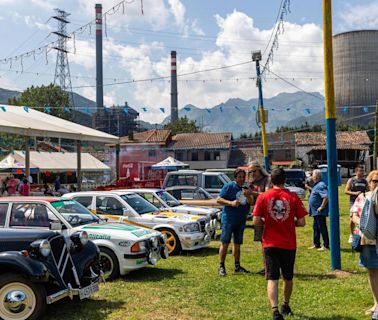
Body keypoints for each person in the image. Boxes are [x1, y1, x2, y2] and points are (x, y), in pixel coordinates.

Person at [253, 168, 307, 320]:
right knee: (288, 277)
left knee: (272, 277)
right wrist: (291, 222)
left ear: (271, 180)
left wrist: (267, 220)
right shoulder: (293, 197)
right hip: (288, 243)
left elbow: (256, 221)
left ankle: (275, 311)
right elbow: (302, 222)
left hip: (270, 243)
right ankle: (286, 304)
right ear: (285, 180)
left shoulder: (263, 197)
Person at [217, 169, 254, 276]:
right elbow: (218, 199)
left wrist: (248, 195)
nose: (242, 179)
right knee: (225, 243)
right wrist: (230, 203)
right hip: (229, 219)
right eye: (240, 177)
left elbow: (251, 202)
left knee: (237, 244)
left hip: (240, 220)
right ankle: (221, 266)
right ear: (235, 178)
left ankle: (237, 266)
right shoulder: (229, 186)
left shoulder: (246, 188)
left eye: (243, 177)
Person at [351, 170, 378, 318]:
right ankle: (376, 303)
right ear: (369, 182)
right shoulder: (362, 197)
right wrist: (363, 224)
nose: (377, 184)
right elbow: (353, 214)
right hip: (367, 240)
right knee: (373, 271)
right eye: (374, 181)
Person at [345, 165, 368, 243]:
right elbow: (346, 191)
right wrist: (355, 193)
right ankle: (351, 234)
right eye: (360, 171)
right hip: (353, 202)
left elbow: (368, 190)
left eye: (362, 171)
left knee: (362, 218)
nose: (362, 172)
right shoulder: (352, 180)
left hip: (362, 202)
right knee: (352, 219)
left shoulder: (365, 181)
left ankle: (361, 234)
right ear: (356, 172)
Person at [308, 169, 329, 251]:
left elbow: (326, 196)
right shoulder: (316, 185)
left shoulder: (320, 185)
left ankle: (326, 245)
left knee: (322, 227)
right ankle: (316, 244)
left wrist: (322, 206)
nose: (311, 177)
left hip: (319, 211)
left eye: (312, 175)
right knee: (316, 227)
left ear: (316, 176)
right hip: (315, 212)